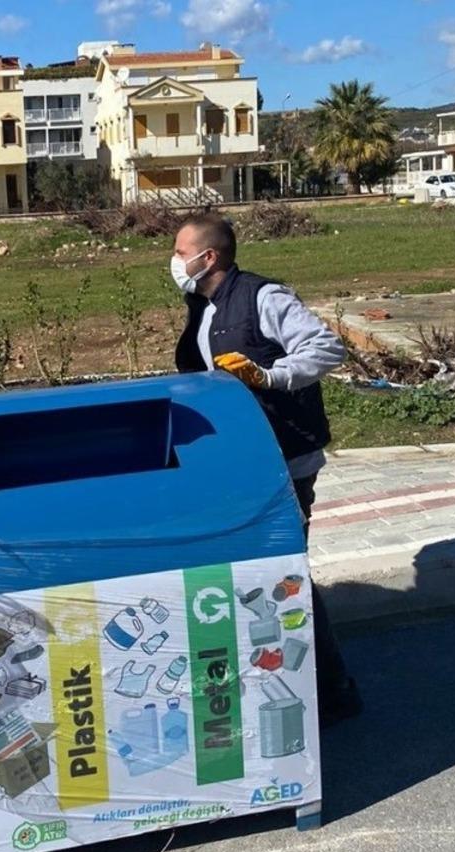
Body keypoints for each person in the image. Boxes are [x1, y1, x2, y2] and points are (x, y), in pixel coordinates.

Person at [171, 212, 362, 727]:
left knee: (286, 575)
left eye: (179, 250)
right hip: (243, 459)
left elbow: (326, 348)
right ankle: (273, 680)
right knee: (259, 576)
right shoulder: (205, 306)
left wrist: (270, 377)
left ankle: (333, 688)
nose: (174, 260)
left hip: (287, 459)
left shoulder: (262, 297)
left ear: (206, 257)